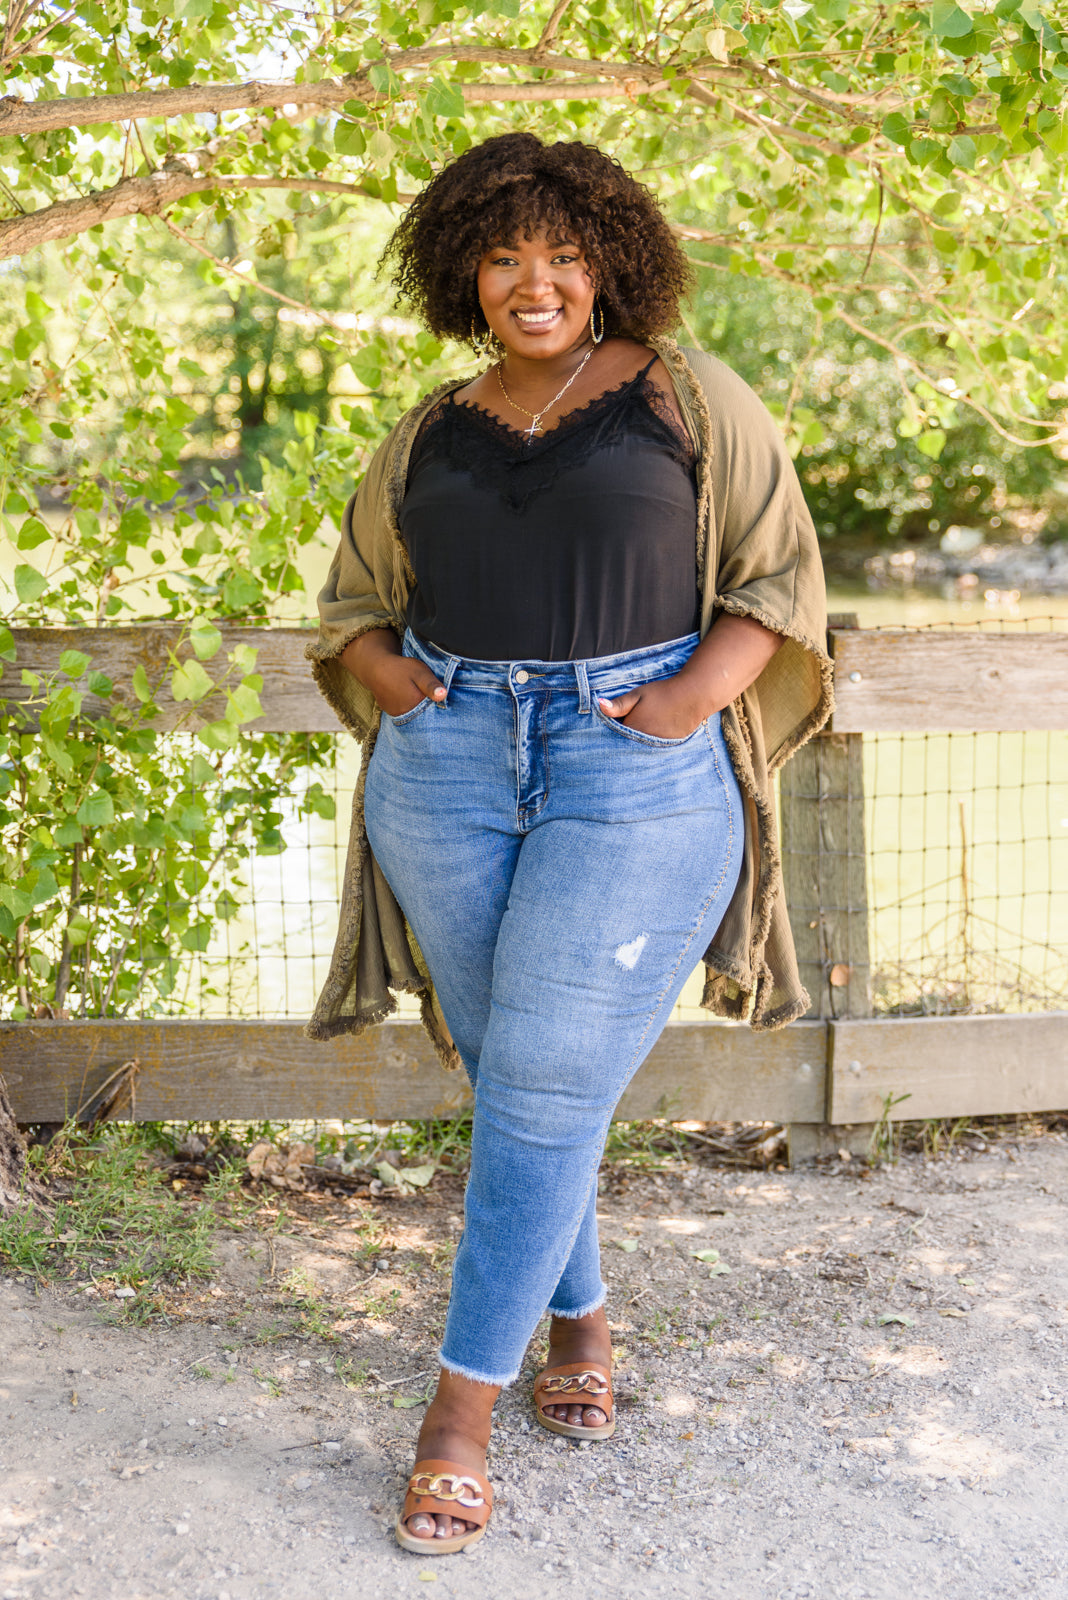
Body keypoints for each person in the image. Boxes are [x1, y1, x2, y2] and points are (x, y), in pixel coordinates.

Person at [307, 132, 832, 1554]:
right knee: (520, 1080)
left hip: (635, 777)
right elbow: (349, 601)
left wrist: (678, 707)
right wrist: (406, 685)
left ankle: (456, 1417)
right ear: (464, 272)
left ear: (608, 263)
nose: (533, 283)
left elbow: (780, 579)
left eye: (562, 254)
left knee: (540, 1074)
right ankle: (580, 1322)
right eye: (503, 256)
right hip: (448, 771)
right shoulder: (429, 428)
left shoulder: (690, 397)